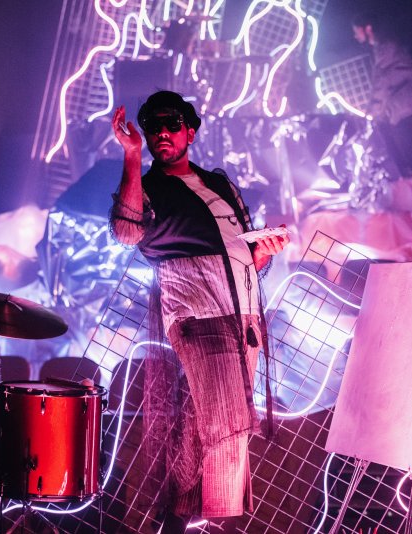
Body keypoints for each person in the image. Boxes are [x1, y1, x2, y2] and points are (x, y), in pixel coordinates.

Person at [109, 91, 289, 533]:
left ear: (190, 131)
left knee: (198, 429)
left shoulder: (221, 185)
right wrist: (131, 156)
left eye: (171, 124)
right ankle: (212, 521)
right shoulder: (149, 187)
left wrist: (263, 254)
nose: (161, 133)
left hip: (243, 317)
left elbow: (244, 255)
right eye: (152, 127)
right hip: (198, 315)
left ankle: (173, 523)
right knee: (228, 426)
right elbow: (127, 232)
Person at [352, 8, 412, 179]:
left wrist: (372, 112)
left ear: (368, 28)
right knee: (393, 127)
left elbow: (382, 84)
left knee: (398, 127)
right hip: (406, 93)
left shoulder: (387, 49)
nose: (355, 35)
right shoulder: (381, 48)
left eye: (356, 31)